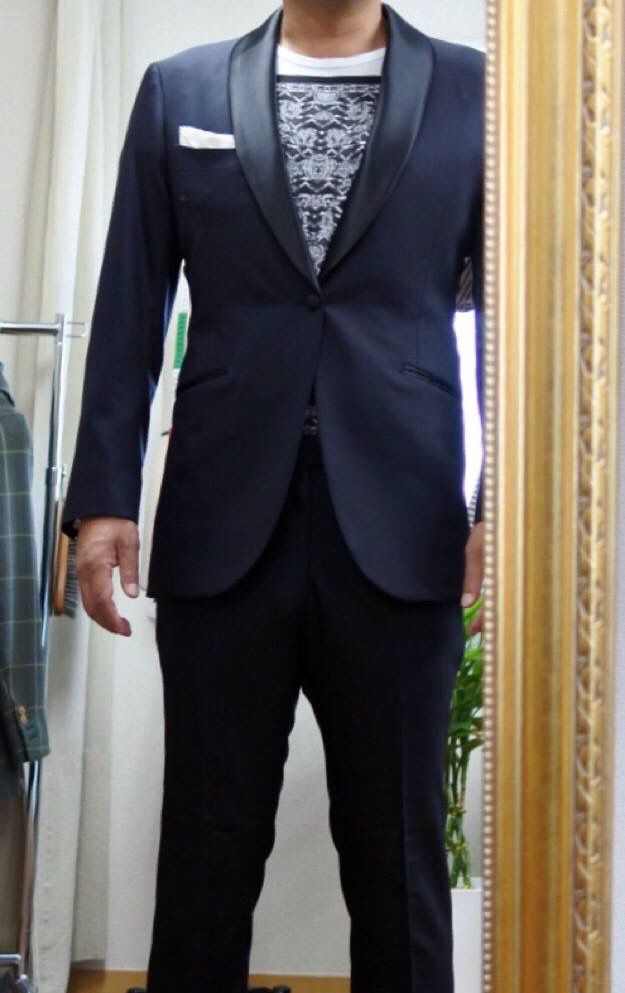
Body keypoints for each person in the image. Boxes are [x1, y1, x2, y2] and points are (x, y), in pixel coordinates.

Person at [61, 2, 485, 990]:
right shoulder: (180, 88)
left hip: (403, 524)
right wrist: (104, 498)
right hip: (222, 519)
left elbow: (517, 315)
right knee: (205, 845)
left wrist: (498, 504)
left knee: (399, 851)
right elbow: (130, 299)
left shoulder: (479, 92)